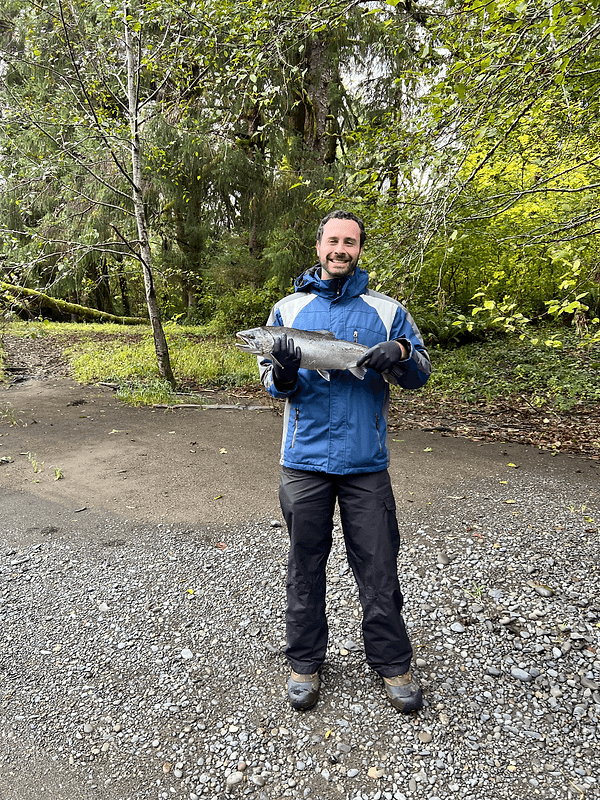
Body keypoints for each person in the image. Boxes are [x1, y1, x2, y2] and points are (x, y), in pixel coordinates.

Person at [258, 210, 431, 712]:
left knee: (379, 566)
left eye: (350, 242)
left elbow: (420, 369)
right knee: (304, 566)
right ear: (318, 247)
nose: (340, 249)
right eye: (332, 241)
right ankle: (305, 663)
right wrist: (285, 373)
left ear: (359, 249)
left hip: (365, 463)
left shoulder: (386, 309)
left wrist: (398, 352)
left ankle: (393, 663)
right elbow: (274, 386)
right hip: (304, 460)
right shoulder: (286, 310)